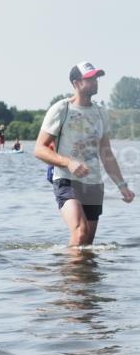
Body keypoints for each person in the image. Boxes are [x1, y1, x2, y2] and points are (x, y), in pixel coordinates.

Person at [34, 61, 134, 246]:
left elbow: (107, 154)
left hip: (94, 184)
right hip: (66, 179)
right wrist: (69, 163)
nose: (95, 81)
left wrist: (122, 186)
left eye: (96, 77)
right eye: (89, 78)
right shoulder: (61, 109)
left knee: (87, 243)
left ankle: (77, 273)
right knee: (80, 232)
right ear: (76, 83)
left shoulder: (101, 113)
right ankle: (69, 274)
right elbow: (39, 149)